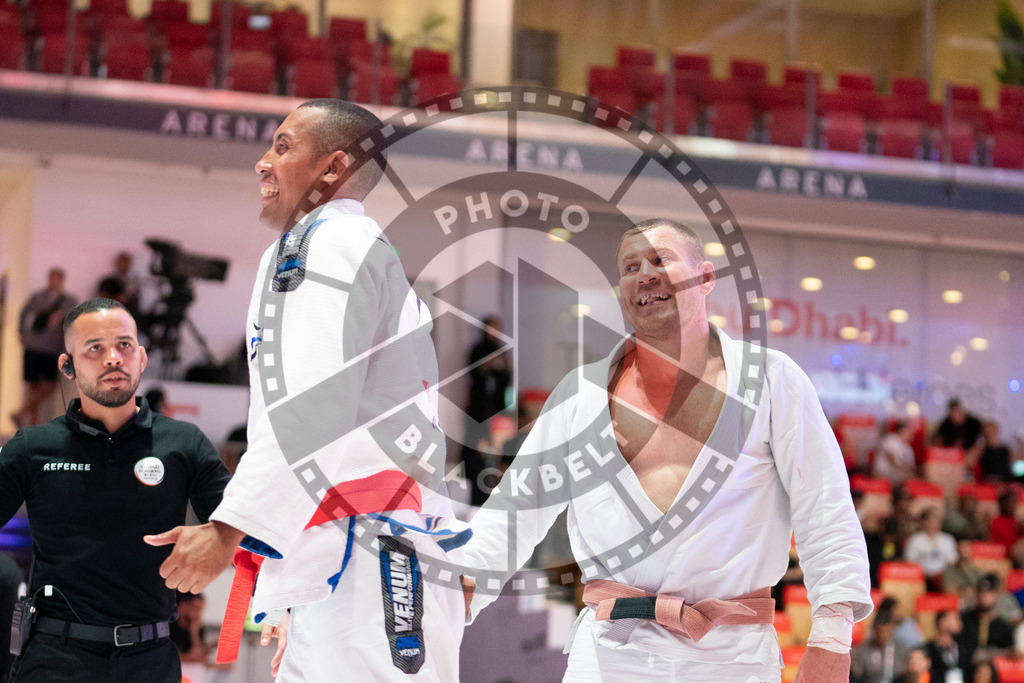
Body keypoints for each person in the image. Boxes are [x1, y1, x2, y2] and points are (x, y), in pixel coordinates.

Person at [462, 219, 872, 682]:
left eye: (662, 260)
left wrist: (832, 639)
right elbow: (515, 513)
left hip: (732, 657)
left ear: (706, 277)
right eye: (631, 266)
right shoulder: (580, 395)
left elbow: (826, 511)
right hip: (609, 658)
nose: (645, 273)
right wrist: (457, 591)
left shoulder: (773, 381)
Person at [144, 99, 468, 681]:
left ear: (332, 167)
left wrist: (226, 530)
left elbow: (315, 408)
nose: (262, 163)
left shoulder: (322, 245)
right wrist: (296, 577)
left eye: (284, 145)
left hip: (370, 558)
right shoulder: (360, 249)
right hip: (364, 556)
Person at [0, 297, 231, 682]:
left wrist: (219, 539)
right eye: (95, 348)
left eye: (124, 345)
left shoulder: (184, 442)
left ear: (141, 358)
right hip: (55, 659)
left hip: (152, 659)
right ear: (67, 366)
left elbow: (243, 522)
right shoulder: (32, 448)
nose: (113, 358)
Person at [12, 267, 77, 428]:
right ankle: (30, 426)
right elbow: (24, 314)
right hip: (34, 346)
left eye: (57, 279)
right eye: (52, 278)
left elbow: (74, 319)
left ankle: (22, 412)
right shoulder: (38, 297)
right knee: (32, 387)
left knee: (49, 385)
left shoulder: (68, 301)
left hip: (52, 350)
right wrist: (21, 332)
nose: (54, 282)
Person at [461, 316, 512, 505]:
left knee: (496, 450)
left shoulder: (501, 351)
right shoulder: (477, 349)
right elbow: (473, 373)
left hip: (497, 409)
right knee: (475, 451)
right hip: (478, 409)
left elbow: (507, 377)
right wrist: (487, 366)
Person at [960, 574, 1015, 681]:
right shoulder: (965, 620)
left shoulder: (1003, 626)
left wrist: (987, 656)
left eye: (989, 593)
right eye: (981, 592)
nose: (984, 596)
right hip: (967, 672)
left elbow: (1010, 651)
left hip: (995, 674)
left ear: (995, 595)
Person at [851, 597, 910, 683]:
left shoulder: (901, 647)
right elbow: (858, 676)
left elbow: (905, 672)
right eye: (879, 632)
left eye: (886, 632)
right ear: (874, 630)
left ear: (891, 630)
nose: (882, 636)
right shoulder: (862, 649)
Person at [905, 508, 958, 592]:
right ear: (924, 521)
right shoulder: (915, 540)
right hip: (921, 578)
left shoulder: (948, 540)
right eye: (931, 519)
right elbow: (910, 562)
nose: (934, 523)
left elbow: (952, 562)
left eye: (937, 519)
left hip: (943, 580)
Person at [924, 609, 965, 683]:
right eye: (955, 619)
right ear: (943, 622)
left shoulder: (963, 649)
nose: (960, 623)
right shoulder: (928, 650)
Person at [874, 420, 917, 486]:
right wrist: (903, 471)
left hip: (899, 478)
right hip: (884, 474)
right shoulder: (891, 439)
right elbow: (891, 459)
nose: (912, 433)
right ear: (902, 430)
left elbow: (911, 467)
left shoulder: (909, 449)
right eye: (909, 430)